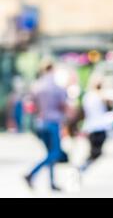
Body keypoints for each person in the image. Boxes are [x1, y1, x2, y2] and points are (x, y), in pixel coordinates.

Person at [25, 61, 68, 191]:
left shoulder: (36, 86)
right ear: (53, 70)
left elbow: (30, 106)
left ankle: (52, 183)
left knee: (50, 153)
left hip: (40, 123)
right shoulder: (56, 87)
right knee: (54, 153)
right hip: (53, 123)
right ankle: (31, 174)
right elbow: (63, 105)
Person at [79, 81, 113, 172]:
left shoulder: (87, 97)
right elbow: (109, 107)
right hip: (99, 126)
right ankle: (82, 167)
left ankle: (83, 167)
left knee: (94, 152)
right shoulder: (100, 96)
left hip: (90, 127)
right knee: (96, 152)